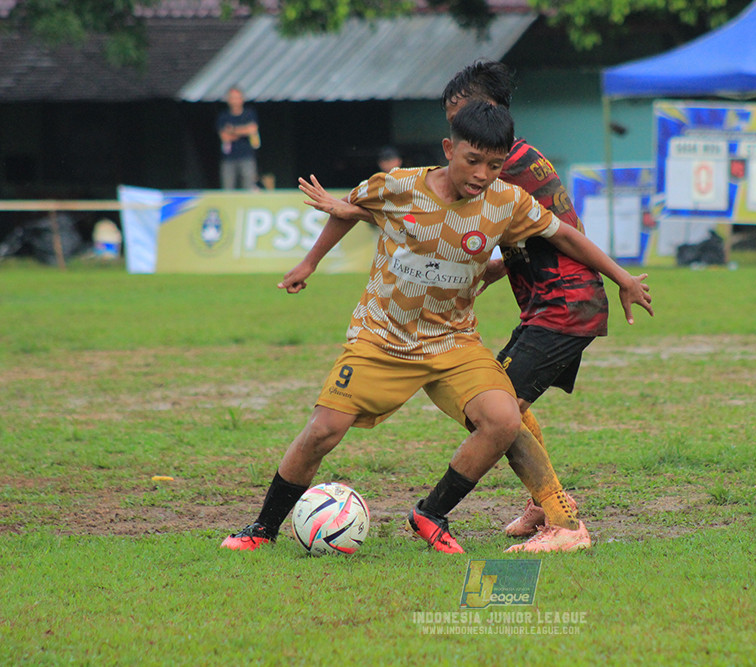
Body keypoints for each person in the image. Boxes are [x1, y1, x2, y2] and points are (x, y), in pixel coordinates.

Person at [220, 101, 653, 554]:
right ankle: (262, 529)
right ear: (449, 148)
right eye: (473, 160)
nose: (483, 174)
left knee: (503, 419)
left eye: (495, 164)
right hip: (383, 338)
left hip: (454, 343)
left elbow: (562, 234)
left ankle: (432, 513)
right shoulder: (397, 185)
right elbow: (349, 208)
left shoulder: (507, 202)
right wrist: (308, 262)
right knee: (323, 430)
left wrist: (621, 277)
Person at [435, 60, 610, 544]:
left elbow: (439, 197)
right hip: (556, 305)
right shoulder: (517, 157)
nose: (455, 130)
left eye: (460, 115)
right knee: (501, 405)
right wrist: (490, 272)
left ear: (486, 110)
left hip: (563, 306)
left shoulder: (498, 164)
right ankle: (543, 503)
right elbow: (528, 237)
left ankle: (563, 522)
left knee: (496, 410)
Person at [216, 86, 260, 190]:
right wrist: (244, 131)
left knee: (248, 187)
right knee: (228, 188)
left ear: (242, 99)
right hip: (229, 159)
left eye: (237, 97)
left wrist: (232, 130)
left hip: (247, 157)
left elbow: (252, 130)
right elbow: (225, 136)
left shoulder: (249, 114)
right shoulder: (223, 116)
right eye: (232, 97)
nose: (234, 100)